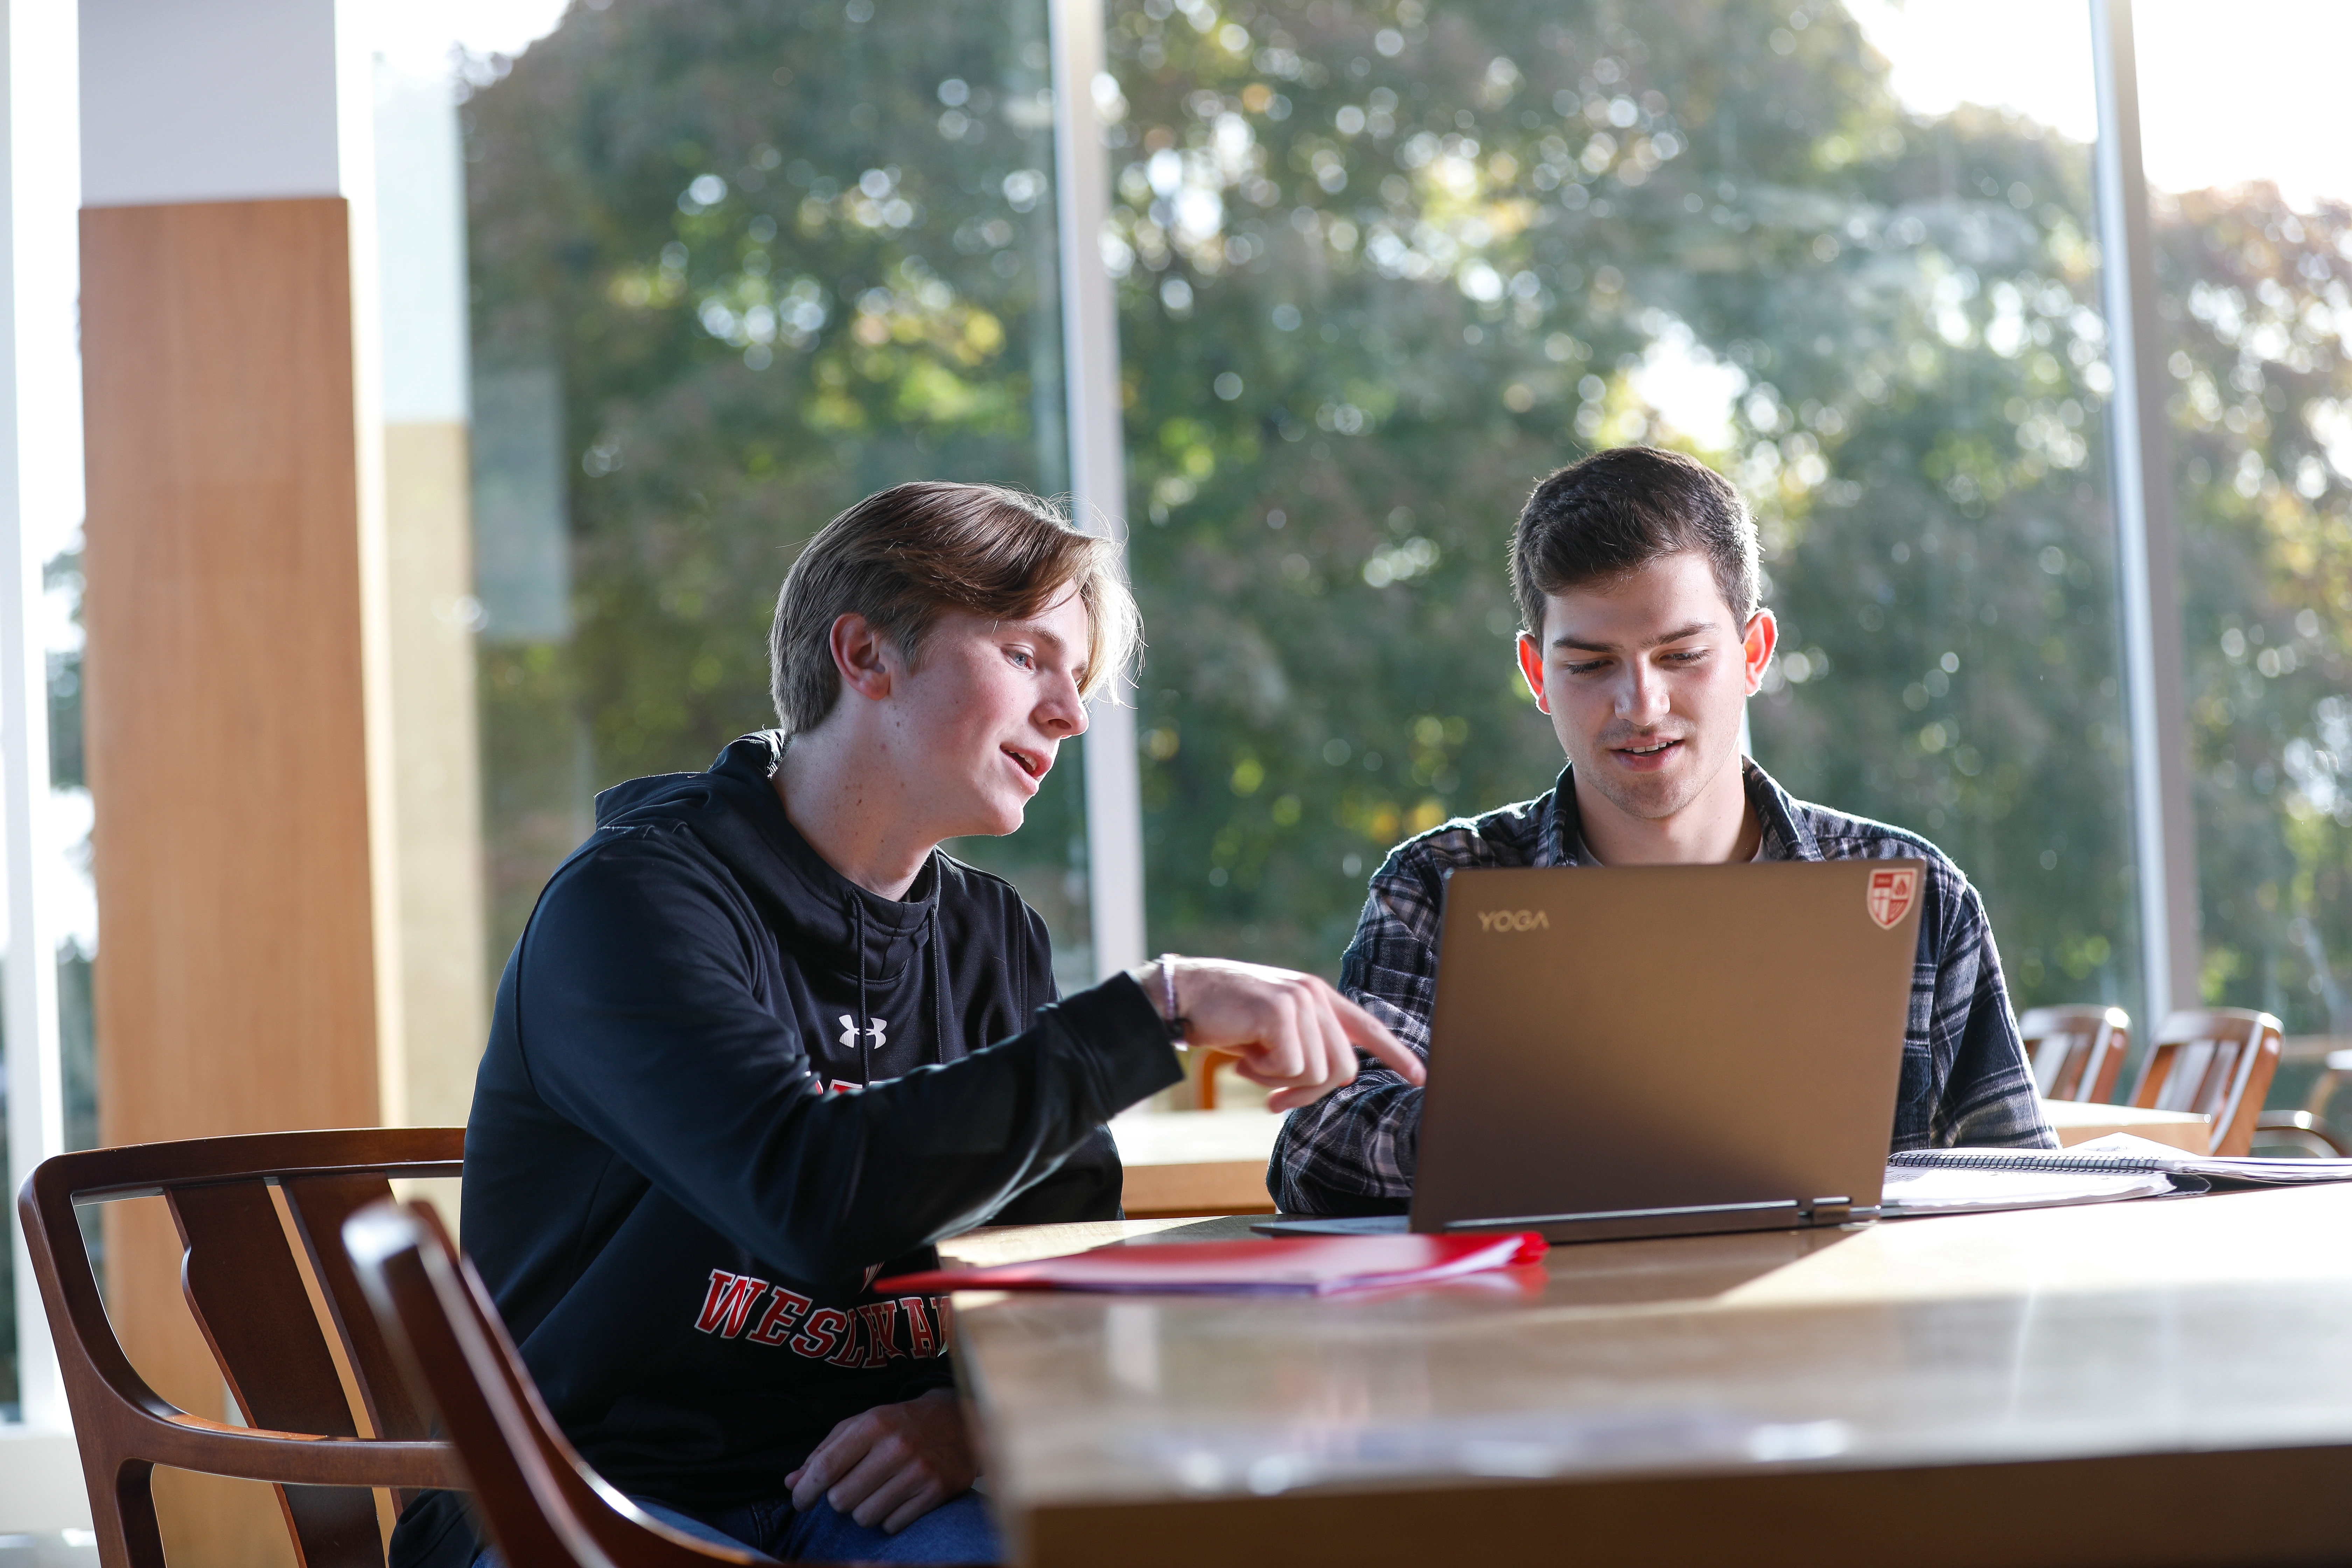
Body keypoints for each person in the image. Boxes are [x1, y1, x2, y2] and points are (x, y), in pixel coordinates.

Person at [392, 482, 1419, 1568]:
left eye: (1076, 681)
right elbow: (809, 1191)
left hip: (869, 1505)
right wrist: (1154, 1011)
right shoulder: (632, 905)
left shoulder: (995, 937)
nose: (1069, 714)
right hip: (586, 1500)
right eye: (1028, 658)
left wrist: (966, 1421)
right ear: (866, 654)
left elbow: (1058, 1261)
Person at [1269, 445, 2054, 1217]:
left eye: (1681, 654)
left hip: (1837, 1337)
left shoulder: (1913, 891)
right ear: (1538, 674)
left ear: (1754, 653)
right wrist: (1565, 1135)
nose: (1640, 704)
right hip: (1538, 1339)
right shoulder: (1441, 886)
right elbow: (1315, 1154)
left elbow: (2027, 1190)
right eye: (1589, 665)